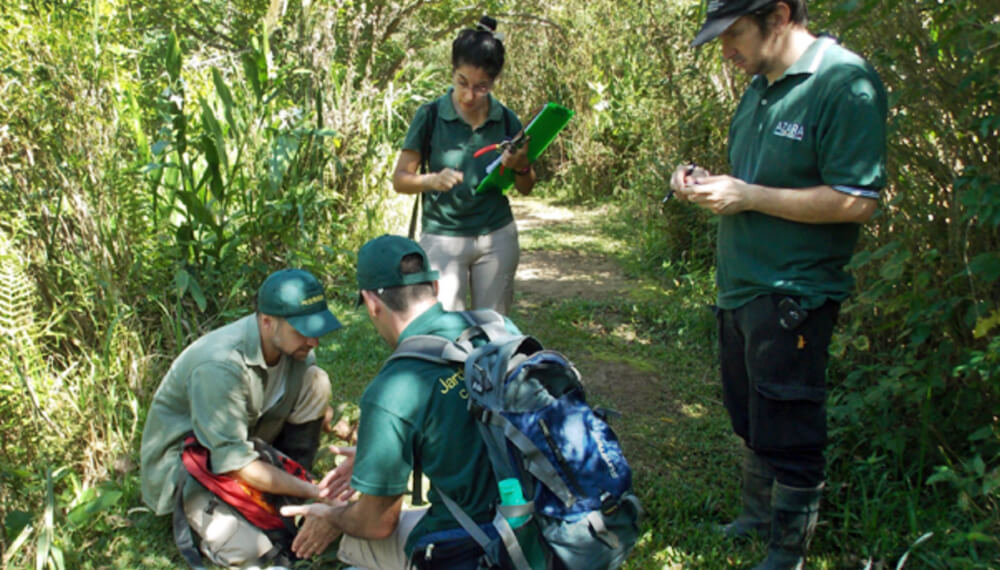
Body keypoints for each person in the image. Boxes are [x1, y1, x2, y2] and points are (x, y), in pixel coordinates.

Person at [670, 1, 887, 568]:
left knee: (790, 422)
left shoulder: (842, 81)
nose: (726, 51)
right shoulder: (760, 85)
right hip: (740, 284)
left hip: (795, 289)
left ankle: (785, 552)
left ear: (780, 14)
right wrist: (705, 182)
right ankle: (755, 517)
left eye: (734, 33)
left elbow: (857, 200)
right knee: (751, 415)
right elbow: (755, 180)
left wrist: (748, 196)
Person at [280, 234, 523, 569]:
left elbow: (377, 524)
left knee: (349, 536)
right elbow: (471, 425)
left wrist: (332, 515)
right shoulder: (495, 329)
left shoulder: (393, 389)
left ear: (371, 302)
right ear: (434, 288)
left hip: (477, 548)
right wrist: (377, 455)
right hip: (543, 518)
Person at [140, 268, 342, 567]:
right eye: (302, 330)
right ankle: (259, 507)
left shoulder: (293, 349)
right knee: (255, 552)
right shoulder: (220, 366)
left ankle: (288, 498)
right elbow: (235, 463)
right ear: (266, 321)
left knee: (317, 381)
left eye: (316, 329)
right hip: (194, 465)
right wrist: (317, 491)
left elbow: (310, 398)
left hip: (242, 444)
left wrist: (346, 430)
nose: (314, 341)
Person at [392, 15, 536, 315]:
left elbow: (526, 186)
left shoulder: (507, 120)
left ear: (494, 82)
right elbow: (400, 179)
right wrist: (431, 180)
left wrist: (520, 166)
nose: (470, 95)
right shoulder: (429, 116)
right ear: (453, 72)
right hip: (443, 238)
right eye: (462, 83)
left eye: (481, 87)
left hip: (496, 236)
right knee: (447, 335)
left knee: (495, 333)